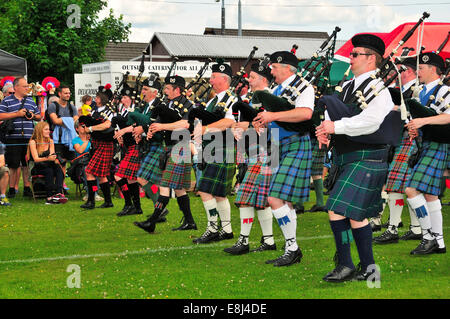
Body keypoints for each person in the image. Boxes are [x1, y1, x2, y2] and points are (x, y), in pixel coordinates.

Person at [316, 34, 394, 282]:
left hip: (367, 156)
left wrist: (335, 128)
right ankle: (369, 268)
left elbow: (371, 122)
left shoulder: (379, 89)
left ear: (371, 59)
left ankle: (347, 264)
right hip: (347, 155)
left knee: (337, 209)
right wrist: (325, 129)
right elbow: (336, 117)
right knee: (354, 215)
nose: (349, 58)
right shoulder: (349, 86)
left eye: (354, 54)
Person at [252, 51, 314, 267]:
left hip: (297, 143)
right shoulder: (277, 90)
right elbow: (279, 118)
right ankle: (291, 248)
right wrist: (264, 123)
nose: (271, 70)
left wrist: (273, 116)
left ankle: (293, 248)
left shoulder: (303, 86)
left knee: (275, 198)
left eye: (274, 67)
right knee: (284, 200)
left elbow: (305, 114)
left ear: (288, 68)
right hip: (279, 144)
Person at [224, 62, 276, 255]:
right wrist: (235, 128)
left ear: (263, 79)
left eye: (252, 77)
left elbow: (271, 126)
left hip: (269, 152)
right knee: (253, 199)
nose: (249, 80)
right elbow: (238, 122)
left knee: (249, 198)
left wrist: (246, 126)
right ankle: (266, 241)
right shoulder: (250, 99)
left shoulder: (272, 98)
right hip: (253, 152)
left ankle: (245, 241)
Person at [134, 75, 196, 232]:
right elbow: (157, 121)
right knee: (179, 188)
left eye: (168, 88)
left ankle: (152, 221)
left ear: (177, 89)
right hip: (169, 147)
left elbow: (185, 124)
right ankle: (189, 222)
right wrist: (151, 129)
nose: (165, 91)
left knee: (165, 184)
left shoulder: (188, 104)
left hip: (180, 146)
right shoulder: (166, 104)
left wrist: (162, 127)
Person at [373, 57, 423, 244]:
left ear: (409, 71)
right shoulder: (401, 91)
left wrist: (393, 108)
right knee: (400, 185)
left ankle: (397, 228)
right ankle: (411, 228)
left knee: (403, 186)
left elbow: (416, 113)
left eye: (400, 70)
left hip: (411, 140)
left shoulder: (417, 90)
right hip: (398, 139)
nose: (397, 74)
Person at [404, 52, 450, 255]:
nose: (418, 72)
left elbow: (448, 117)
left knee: (411, 191)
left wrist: (423, 121)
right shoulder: (420, 92)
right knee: (431, 195)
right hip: (424, 143)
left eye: (421, 68)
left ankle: (428, 236)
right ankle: (438, 242)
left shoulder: (445, 91)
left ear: (433, 69)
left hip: (438, 143)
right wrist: (415, 128)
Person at [191, 62, 237, 244]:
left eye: (213, 77)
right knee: (219, 194)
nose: (210, 80)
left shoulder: (232, 100)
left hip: (223, 147)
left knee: (204, 189)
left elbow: (228, 122)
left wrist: (204, 129)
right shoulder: (212, 100)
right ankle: (226, 230)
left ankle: (212, 228)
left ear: (224, 79)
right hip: (211, 146)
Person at [132, 77, 170, 222]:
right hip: (149, 145)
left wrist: (143, 127)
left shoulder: (158, 106)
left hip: (159, 145)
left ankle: (160, 209)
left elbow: (154, 124)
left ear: (154, 93)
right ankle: (159, 209)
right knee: (157, 182)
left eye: (145, 89)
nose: (142, 92)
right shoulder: (147, 106)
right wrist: (140, 133)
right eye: (143, 89)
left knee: (142, 178)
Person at [0, 77, 41, 198]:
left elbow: (39, 116)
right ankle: (12, 188)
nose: (27, 88)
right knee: (13, 164)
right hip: (12, 136)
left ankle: (27, 187)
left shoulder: (30, 101)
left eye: (27, 86)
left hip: (29, 136)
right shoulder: (6, 101)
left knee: (27, 163)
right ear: (16, 87)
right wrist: (17, 114)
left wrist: (32, 115)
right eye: (25, 86)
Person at [79, 86, 115, 209]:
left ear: (103, 98)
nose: (96, 98)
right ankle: (108, 201)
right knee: (101, 175)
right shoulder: (95, 110)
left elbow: (106, 125)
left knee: (89, 171)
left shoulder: (109, 111)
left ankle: (91, 201)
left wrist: (90, 129)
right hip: (97, 143)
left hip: (105, 144)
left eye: (98, 97)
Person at [111, 85, 144, 217]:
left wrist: (123, 131)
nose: (122, 99)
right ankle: (136, 207)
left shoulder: (136, 110)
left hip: (135, 147)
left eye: (125, 97)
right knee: (130, 179)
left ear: (131, 98)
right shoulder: (123, 111)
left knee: (118, 176)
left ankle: (129, 204)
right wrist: (120, 137)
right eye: (122, 97)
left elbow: (137, 125)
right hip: (128, 147)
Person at [27, 122, 67, 204]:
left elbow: (51, 156)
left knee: (58, 168)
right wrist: (47, 158)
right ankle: (49, 197)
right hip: (37, 166)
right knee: (49, 171)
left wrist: (55, 158)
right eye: (46, 129)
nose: (49, 131)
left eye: (48, 129)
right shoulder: (33, 142)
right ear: (39, 131)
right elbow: (36, 159)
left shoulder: (50, 141)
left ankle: (59, 193)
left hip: (48, 164)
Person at [47, 85, 78, 187]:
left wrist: (63, 120)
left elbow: (76, 121)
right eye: (65, 93)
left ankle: (62, 184)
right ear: (59, 94)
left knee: (70, 162)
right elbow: (55, 120)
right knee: (60, 162)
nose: (68, 95)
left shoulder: (72, 107)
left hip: (70, 138)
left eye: (69, 93)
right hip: (58, 139)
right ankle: (59, 185)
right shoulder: (53, 106)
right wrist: (69, 120)